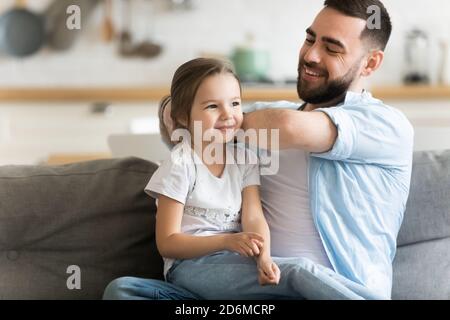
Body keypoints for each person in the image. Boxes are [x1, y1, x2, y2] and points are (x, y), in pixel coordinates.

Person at [104, 0, 413, 300]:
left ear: (370, 63)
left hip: (330, 288)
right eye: (309, 39)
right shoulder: (259, 120)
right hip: (248, 283)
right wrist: (205, 113)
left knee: (298, 273)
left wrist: (213, 117)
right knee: (126, 291)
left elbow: (289, 128)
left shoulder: (385, 125)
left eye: (332, 48)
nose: (311, 55)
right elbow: (173, 119)